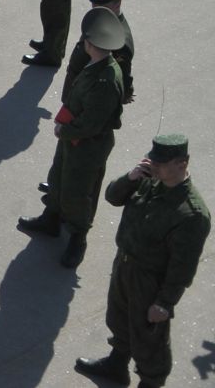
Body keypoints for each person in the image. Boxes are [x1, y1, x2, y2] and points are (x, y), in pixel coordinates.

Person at [75, 134, 209, 387]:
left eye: (161, 162)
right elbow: (113, 197)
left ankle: (150, 382)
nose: (154, 165)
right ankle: (116, 365)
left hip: (151, 281)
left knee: (150, 342)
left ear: (182, 163)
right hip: (125, 265)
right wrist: (131, 177)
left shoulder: (191, 214)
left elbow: (183, 267)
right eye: (153, 160)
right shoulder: (147, 182)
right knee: (118, 319)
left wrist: (164, 303)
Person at [18, 7, 127, 268]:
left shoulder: (105, 80)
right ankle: (52, 218)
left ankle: (78, 238)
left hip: (87, 144)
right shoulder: (98, 65)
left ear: (90, 44)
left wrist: (63, 130)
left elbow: (91, 123)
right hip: (74, 141)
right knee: (59, 177)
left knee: (78, 192)